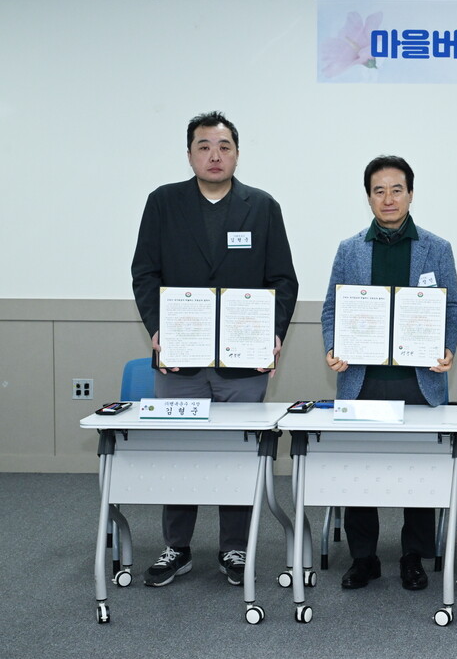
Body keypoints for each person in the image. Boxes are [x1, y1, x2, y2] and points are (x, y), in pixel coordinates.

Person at [131, 110, 299, 587]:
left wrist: (274, 333)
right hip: (180, 358)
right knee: (180, 453)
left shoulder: (262, 206)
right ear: (189, 155)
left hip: (243, 363)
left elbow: (282, 279)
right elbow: (145, 272)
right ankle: (177, 547)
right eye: (204, 147)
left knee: (238, 454)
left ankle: (234, 548)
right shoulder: (163, 203)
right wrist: (158, 329)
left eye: (224, 147)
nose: (214, 155)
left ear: (237, 154)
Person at [321, 155, 457, 592]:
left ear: (411, 194)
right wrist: (333, 347)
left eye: (396, 190)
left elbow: (453, 307)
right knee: (359, 472)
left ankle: (413, 556)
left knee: (418, 472)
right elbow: (332, 308)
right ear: (368, 197)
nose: (388, 199)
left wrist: (446, 347)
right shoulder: (349, 249)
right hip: (363, 381)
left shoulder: (436, 248)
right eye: (379, 191)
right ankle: (363, 558)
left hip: (418, 382)